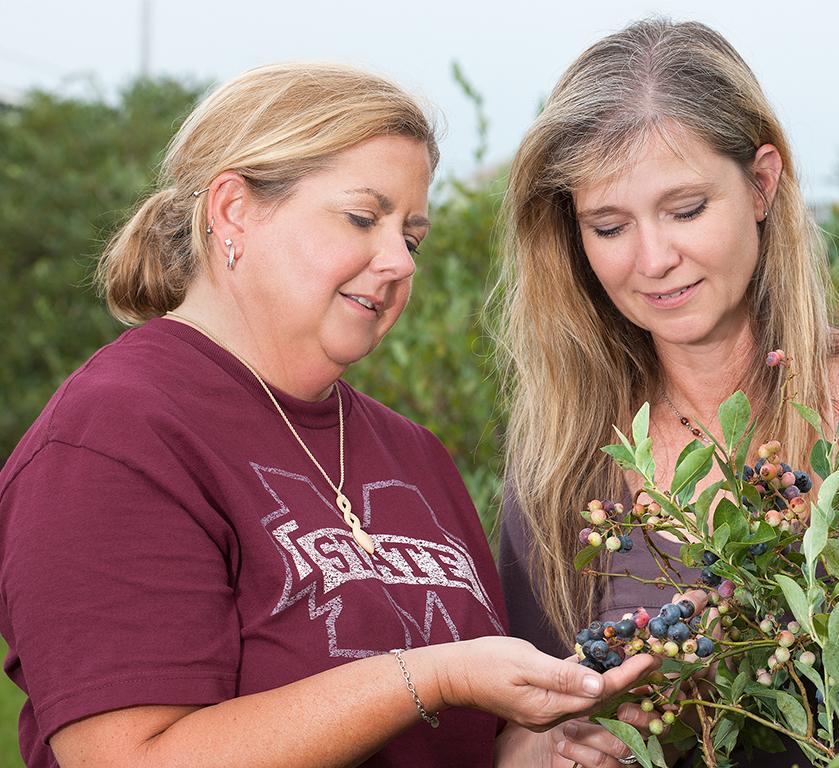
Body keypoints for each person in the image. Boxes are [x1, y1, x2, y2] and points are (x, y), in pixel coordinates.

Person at [0, 62, 658, 768]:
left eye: (411, 235)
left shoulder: (416, 457)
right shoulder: (115, 435)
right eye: (362, 218)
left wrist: (540, 748)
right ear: (233, 210)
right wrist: (431, 676)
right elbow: (128, 757)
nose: (399, 261)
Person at [494, 19, 839, 767]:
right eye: (609, 225)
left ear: (762, 183)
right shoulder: (559, 464)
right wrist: (553, 747)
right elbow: (521, 725)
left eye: (687, 209)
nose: (655, 259)